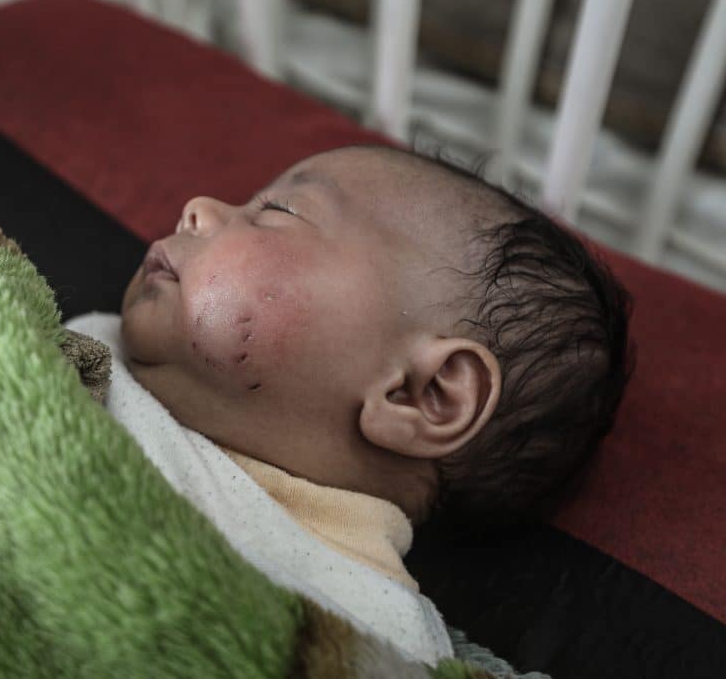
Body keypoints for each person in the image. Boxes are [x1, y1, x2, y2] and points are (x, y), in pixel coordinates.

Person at [65, 143, 633, 665]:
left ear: (423, 395)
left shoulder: (365, 625)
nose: (199, 207)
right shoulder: (67, 334)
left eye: (280, 211)